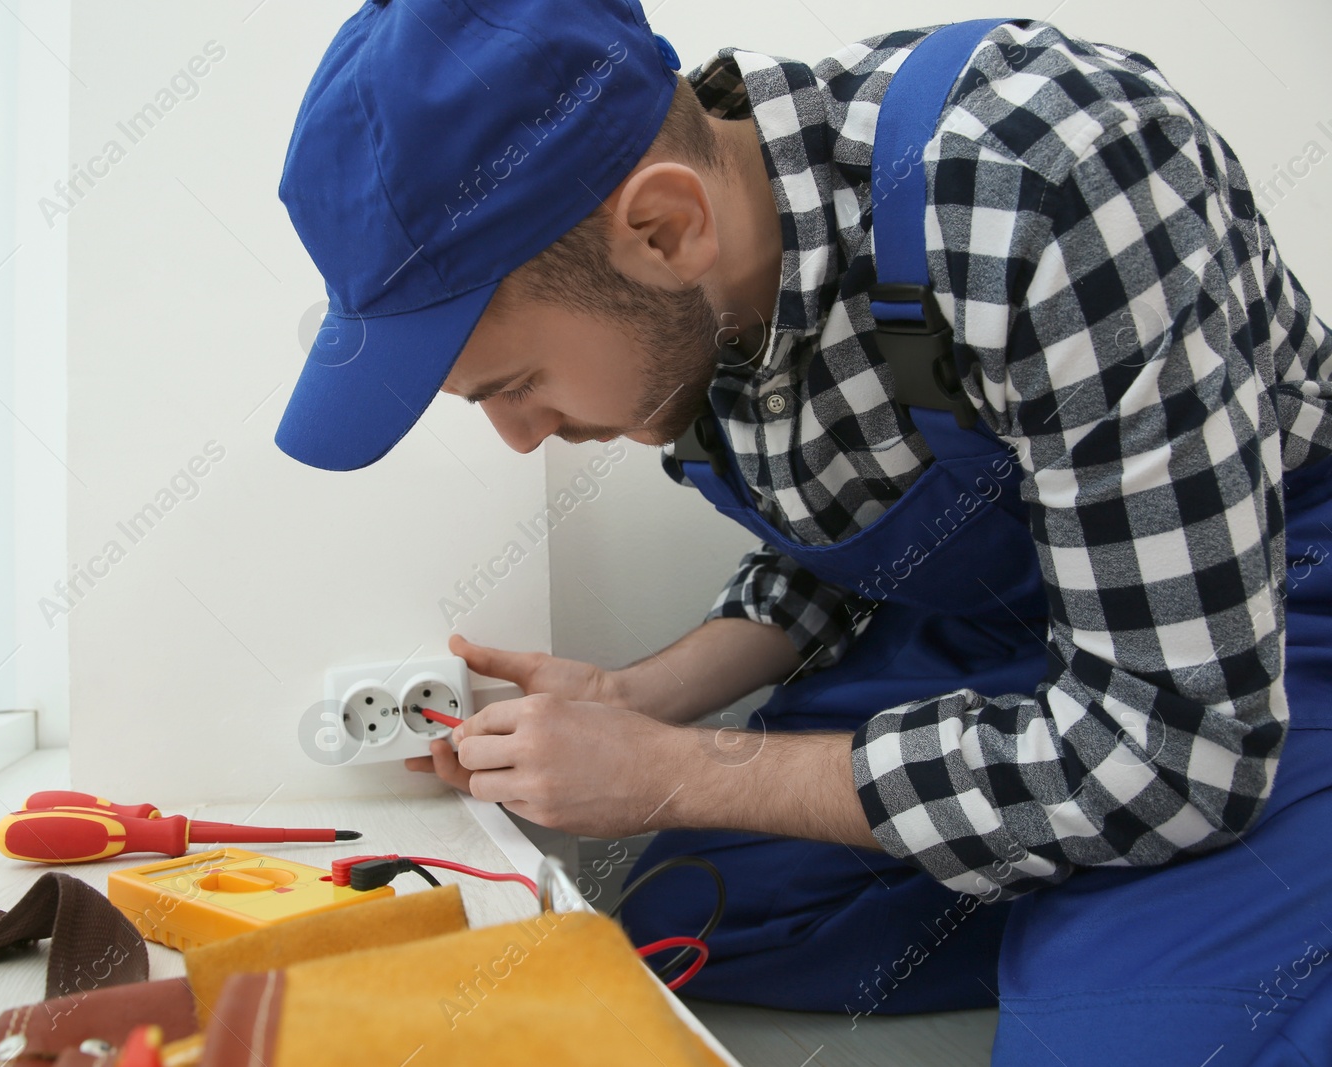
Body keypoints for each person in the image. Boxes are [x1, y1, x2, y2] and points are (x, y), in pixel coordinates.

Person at [274, 3, 1332, 1063]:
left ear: (663, 228)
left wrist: (677, 771)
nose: (520, 436)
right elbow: (866, 534)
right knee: (694, 913)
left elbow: (1175, 747)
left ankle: (1166, 924)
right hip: (1031, 628)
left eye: (517, 384)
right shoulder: (687, 298)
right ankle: (1090, 870)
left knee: (1135, 1039)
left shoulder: (1047, 179)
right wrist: (639, 698)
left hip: (1253, 632)